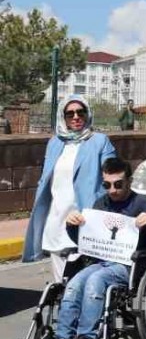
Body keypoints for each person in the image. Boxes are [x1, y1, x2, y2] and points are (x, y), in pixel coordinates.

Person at [35, 158, 146, 339]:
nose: (112, 190)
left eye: (118, 184)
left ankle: (87, 336)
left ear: (129, 181)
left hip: (130, 265)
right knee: (74, 284)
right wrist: (74, 224)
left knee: (96, 281)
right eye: (107, 185)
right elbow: (85, 241)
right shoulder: (100, 204)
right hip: (100, 261)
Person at [23, 96, 117, 276]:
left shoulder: (99, 141)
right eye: (70, 113)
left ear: (88, 114)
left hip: (85, 218)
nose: (76, 117)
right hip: (57, 218)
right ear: (62, 117)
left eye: (81, 112)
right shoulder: (55, 143)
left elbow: (113, 173)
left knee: (84, 279)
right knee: (60, 283)